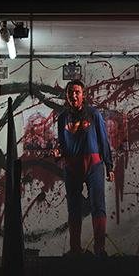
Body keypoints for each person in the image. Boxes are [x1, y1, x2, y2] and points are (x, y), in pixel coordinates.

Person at [50, 80, 114, 256]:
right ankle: (75, 249)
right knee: (73, 207)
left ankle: (99, 247)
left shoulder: (94, 114)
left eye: (77, 92)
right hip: (72, 166)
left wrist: (109, 166)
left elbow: (103, 141)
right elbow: (62, 144)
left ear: (83, 95)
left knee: (97, 204)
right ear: (67, 95)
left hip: (93, 164)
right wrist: (58, 153)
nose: (74, 95)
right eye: (70, 92)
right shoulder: (62, 118)